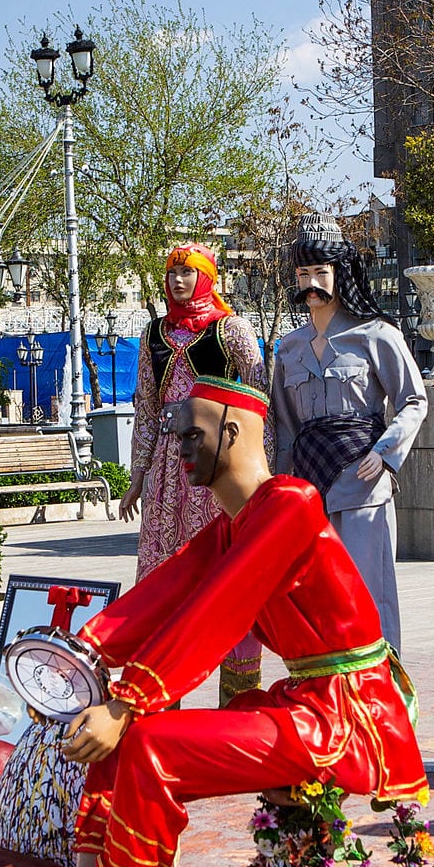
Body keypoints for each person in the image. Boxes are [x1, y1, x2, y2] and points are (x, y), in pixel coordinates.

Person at [0, 377, 428, 867]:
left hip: (348, 716)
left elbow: (217, 609)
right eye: (173, 435)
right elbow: (165, 593)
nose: (177, 448)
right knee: (125, 745)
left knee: (146, 740)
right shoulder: (235, 527)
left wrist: (130, 700)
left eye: (189, 433)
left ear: (233, 428)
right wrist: (77, 658)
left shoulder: (293, 504)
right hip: (303, 702)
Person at [270, 214, 426, 655]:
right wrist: (279, 489)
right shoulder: (289, 347)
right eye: (303, 273)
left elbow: (414, 400)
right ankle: (332, 691)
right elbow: (284, 426)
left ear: (341, 273)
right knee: (317, 595)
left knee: (368, 590)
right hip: (310, 485)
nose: (312, 282)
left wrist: (386, 451)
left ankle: (383, 688)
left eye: (321, 272)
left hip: (362, 479)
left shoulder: (376, 335)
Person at [119, 243, 264, 701]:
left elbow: (261, 406)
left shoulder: (232, 330)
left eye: (188, 272)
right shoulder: (153, 335)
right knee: (165, 583)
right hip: (166, 470)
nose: (178, 281)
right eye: (173, 273)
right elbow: (145, 405)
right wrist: (137, 474)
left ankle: (237, 706)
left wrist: (260, 480)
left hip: (217, 472)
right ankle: (161, 703)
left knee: (225, 577)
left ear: (207, 276)